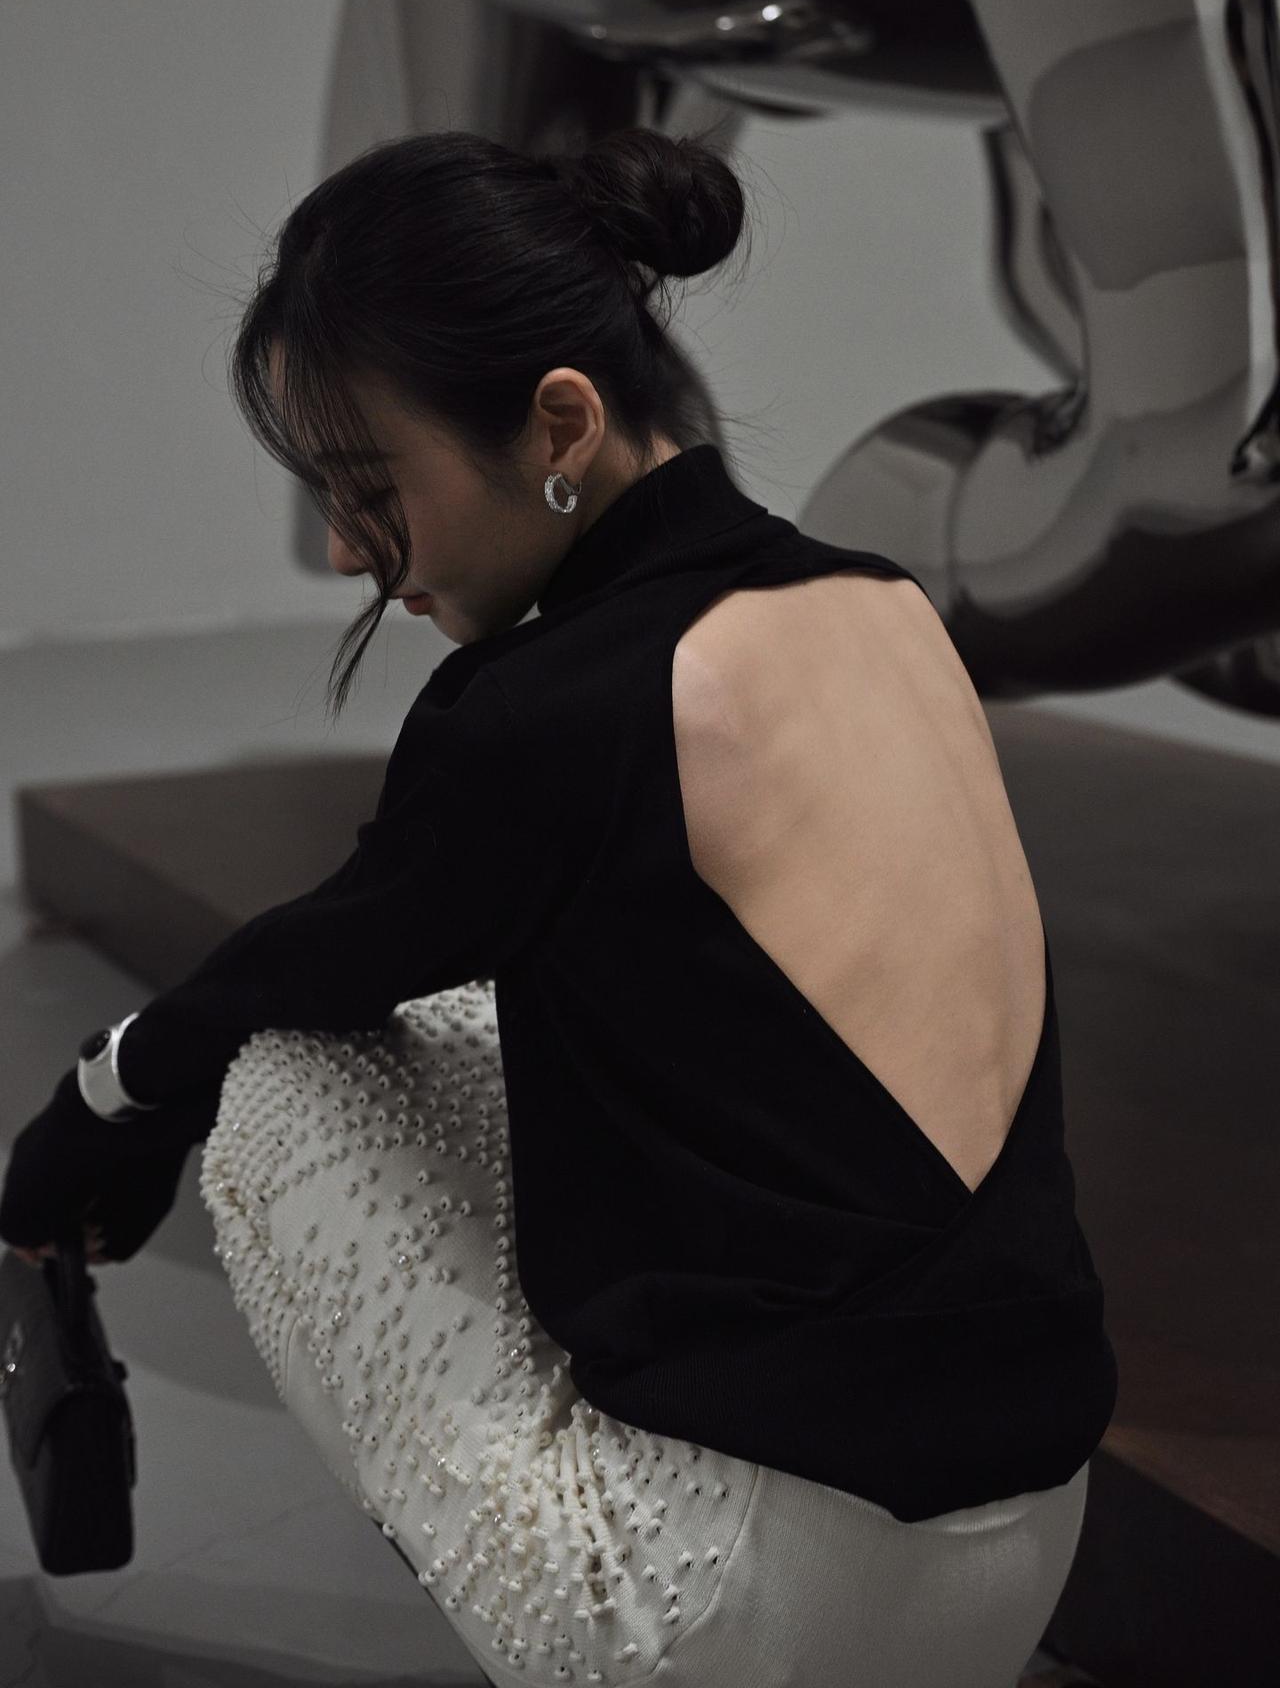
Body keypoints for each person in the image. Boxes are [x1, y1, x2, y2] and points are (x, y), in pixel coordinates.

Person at [1, 126, 1113, 1686]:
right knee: (476, 1002)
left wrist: (100, 1101)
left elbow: (282, 987)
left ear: (561, 424)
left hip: (755, 1607)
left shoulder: (553, 707)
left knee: (278, 1088)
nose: (345, 550)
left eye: (369, 488)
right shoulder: (880, 602)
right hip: (1033, 1540)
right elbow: (360, 944)